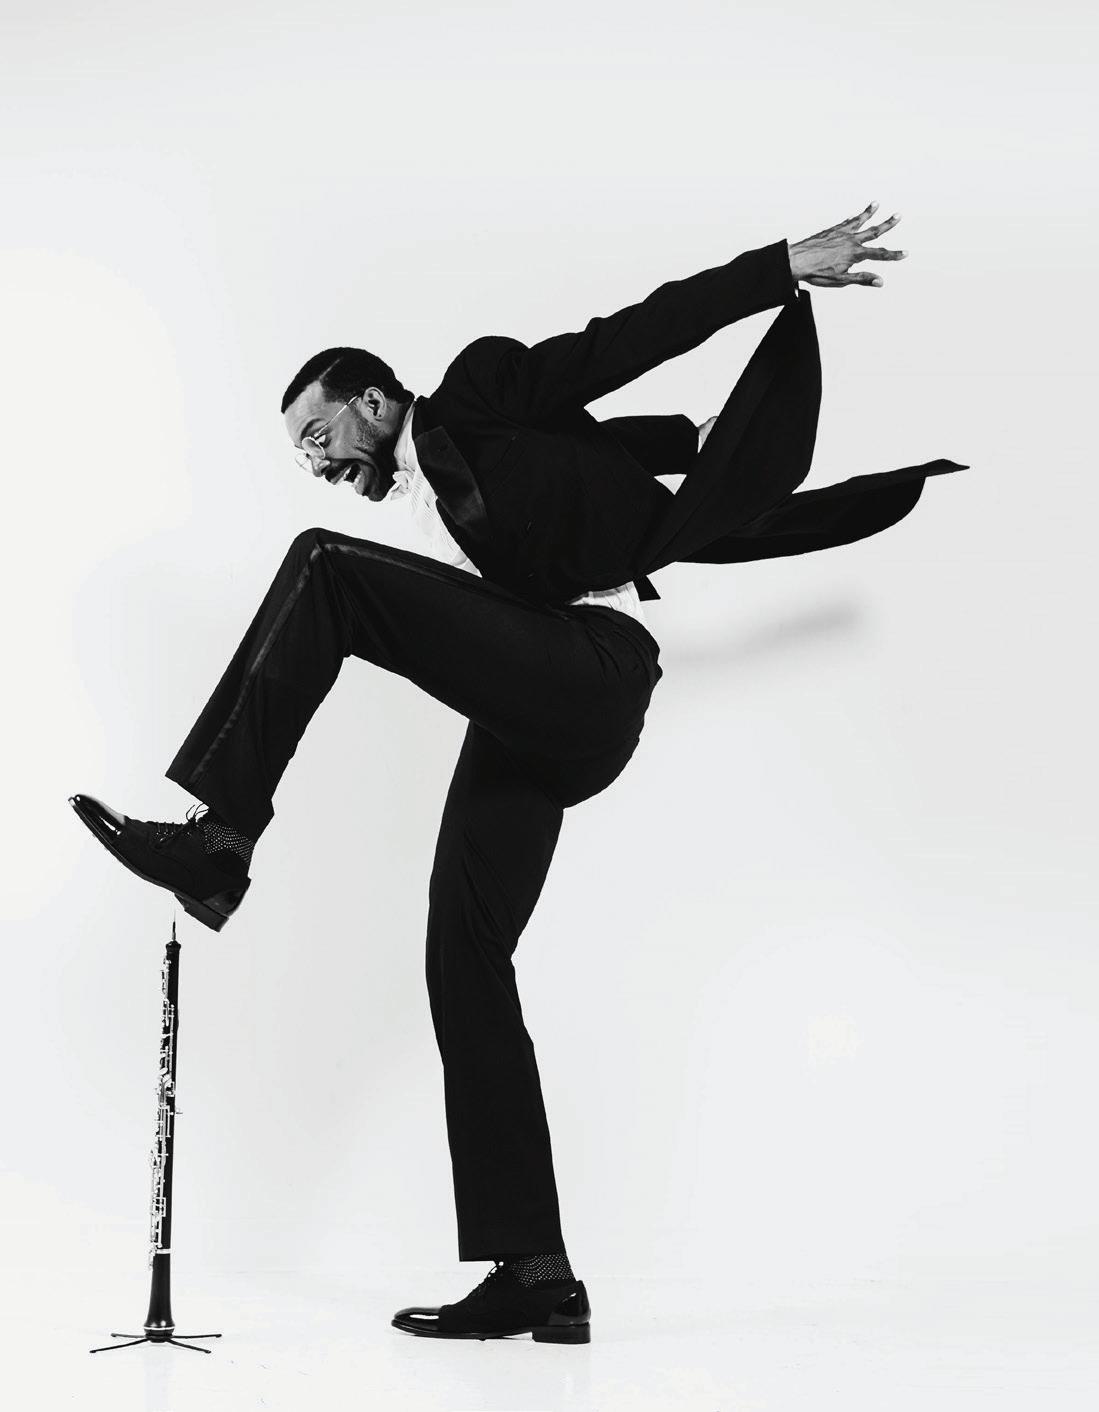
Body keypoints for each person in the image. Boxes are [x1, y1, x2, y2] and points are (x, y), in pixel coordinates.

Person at [70, 202, 966, 1344]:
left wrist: (775, 269)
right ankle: (536, 1270)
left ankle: (218, 839)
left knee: (326, 570)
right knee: (461, 954)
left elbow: (622, 339)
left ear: (375, 400)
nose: (316, 459)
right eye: (300, 451)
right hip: (532, 704)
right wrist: (665, 442)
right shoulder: (425, 499)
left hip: (593, 667)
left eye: (319, 431)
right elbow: (590, 468)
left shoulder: (478, 393)